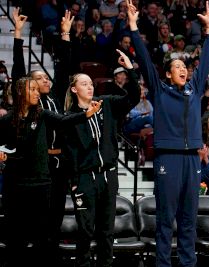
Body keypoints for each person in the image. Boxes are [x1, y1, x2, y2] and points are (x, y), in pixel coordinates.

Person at [128, 0, 209, 266]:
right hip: (167, 158)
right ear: (167, 74)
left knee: (189, 219)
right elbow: (144, 60)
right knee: (166, 219)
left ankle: (188, 264)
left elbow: (206, 62)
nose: (183, 70)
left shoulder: (195, 89)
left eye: (185, 68)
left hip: (192, 158)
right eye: (177, 68)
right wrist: (133, 26)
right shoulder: (159, 89)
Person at [0, 77, 101, 267]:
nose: (38, 93)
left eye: (38, 90)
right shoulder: (7, 120)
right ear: (21, 92)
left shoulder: (43, 115)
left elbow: (64, 120)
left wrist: (86, 114)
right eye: (33, 89)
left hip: (41, 184)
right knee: (15, 237)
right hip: (14, 185)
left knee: (42, 237)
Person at [63, 49, 140, 267]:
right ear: (74, 88)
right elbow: (70, 152)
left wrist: (129, 68)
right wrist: (76, 180)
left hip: (108, 176)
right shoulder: (70, 117)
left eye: (91, 83)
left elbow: (133, 97)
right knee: (85, 232)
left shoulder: (106, 103)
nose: (90, 86)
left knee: (107, 232)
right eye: (84, 83)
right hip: (85, 178)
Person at [12, 8, 76, 265]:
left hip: (59, 165)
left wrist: (65, 35)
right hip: (38, 166)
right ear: (30, 85)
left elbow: (64, 68)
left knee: (56, 217)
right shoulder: (28, 105)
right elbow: (18, 71)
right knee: (36, 220)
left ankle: (51, 257)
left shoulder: (56, 99)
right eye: (39, 78)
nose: (45, 80)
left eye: (46, 77)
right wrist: (17, 34)